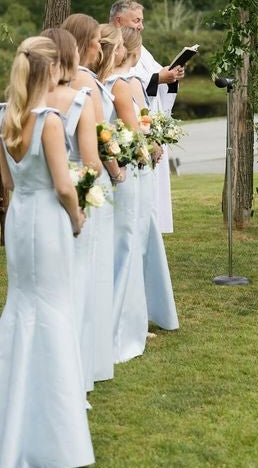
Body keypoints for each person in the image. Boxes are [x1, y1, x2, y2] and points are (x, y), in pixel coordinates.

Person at [0, 36, 94, 467]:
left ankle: (13, 410)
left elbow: (7, 183)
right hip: (49, 221)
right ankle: (54, 424)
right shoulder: (50, 121)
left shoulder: (7, 118)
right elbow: (62, 185)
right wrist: (77, 218)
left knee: (20, 307)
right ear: (48, 68)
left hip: (19, 219)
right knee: (54, 307)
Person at [61, 13, 125, 385]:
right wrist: (116, 170)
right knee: (92, 267)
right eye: (98, 42)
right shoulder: (85, 81)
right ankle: (93, 353)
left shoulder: (64, 77)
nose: (101, 47)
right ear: (87, 42)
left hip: (68, 175)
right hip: (87, 178)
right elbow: (101, 138)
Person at [41, 27, 104, 395]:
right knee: (76, 282)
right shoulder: (78, 97)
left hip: (29, 209)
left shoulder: (15, 107)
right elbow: (92, 161)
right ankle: (74, 368)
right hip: (72, 197)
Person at [95, 23, 149, 363]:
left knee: (121, 243)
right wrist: (150, 147)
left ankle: (127, 320)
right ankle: (121, 328)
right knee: (128, 244)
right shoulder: (122, 84)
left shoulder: (103, 83)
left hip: (118, 165)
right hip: (124, 169)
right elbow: (133, 129)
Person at [120, 26, 179, 333]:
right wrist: (151, 143)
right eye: (137, 19)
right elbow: (134, 122)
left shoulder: (127, 78)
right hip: (131, 166)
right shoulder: (121, 83)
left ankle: (142, 306)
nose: (141, 24)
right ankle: (132, 313)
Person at [109, 0, 185, 233]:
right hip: (128, 132)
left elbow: (151, 74)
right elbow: (122, 81)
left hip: (146, 126)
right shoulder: (110, 47)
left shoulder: (141, 49)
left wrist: (171, 76)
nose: (141, 26)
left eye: (142, 21)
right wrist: (159, 79)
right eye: (136, 20)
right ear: (119, 21)